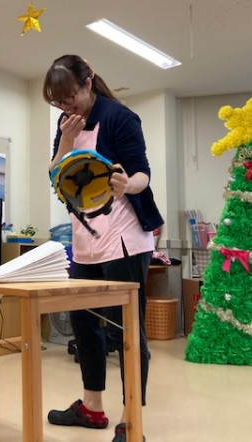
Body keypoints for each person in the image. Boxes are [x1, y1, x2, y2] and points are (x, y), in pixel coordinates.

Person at [44, 54, 163, 442]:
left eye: (71, 97)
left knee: (125, 329)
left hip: (124, 237)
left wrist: (127, 185)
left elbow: (143, 174)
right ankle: (92, 407)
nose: (67, 106)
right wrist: (65, 138)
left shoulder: (119, 117)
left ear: (88, 82)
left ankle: (132, 420)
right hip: (86, 239)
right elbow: (55, 175)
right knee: (83, 322)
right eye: (58, 102)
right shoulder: (65, 123)